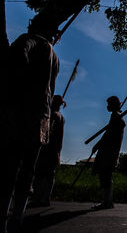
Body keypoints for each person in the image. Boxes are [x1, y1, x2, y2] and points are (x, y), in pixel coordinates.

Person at [0, 15, 60, 232]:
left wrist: (18, 84)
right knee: (28, 168)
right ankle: (18, 215)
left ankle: (7, 216)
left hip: (23, 113)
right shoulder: (54, 55)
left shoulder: (30, 40)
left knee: (11, 166)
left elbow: (17, 55)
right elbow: (51, 90)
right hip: (41, 117)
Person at [30, 95, 66, 207]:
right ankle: (45, 198)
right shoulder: (61, 117)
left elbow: (47, 132)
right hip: (55, 149)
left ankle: (39, 197)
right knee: (49, 175)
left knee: (41, 174)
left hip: (48, 148)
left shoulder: (53, 116)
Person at [91, 96, 126, 210]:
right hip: (110, 151)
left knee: (105, 175)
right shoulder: (116, 117)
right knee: (105, 175)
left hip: (109, 151)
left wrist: (98, 144)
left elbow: (109, 135)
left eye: (109, 104)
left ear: (113, 105)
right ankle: (107, 201)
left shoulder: (116, 117)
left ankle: (107, 201)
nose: (107, 106)